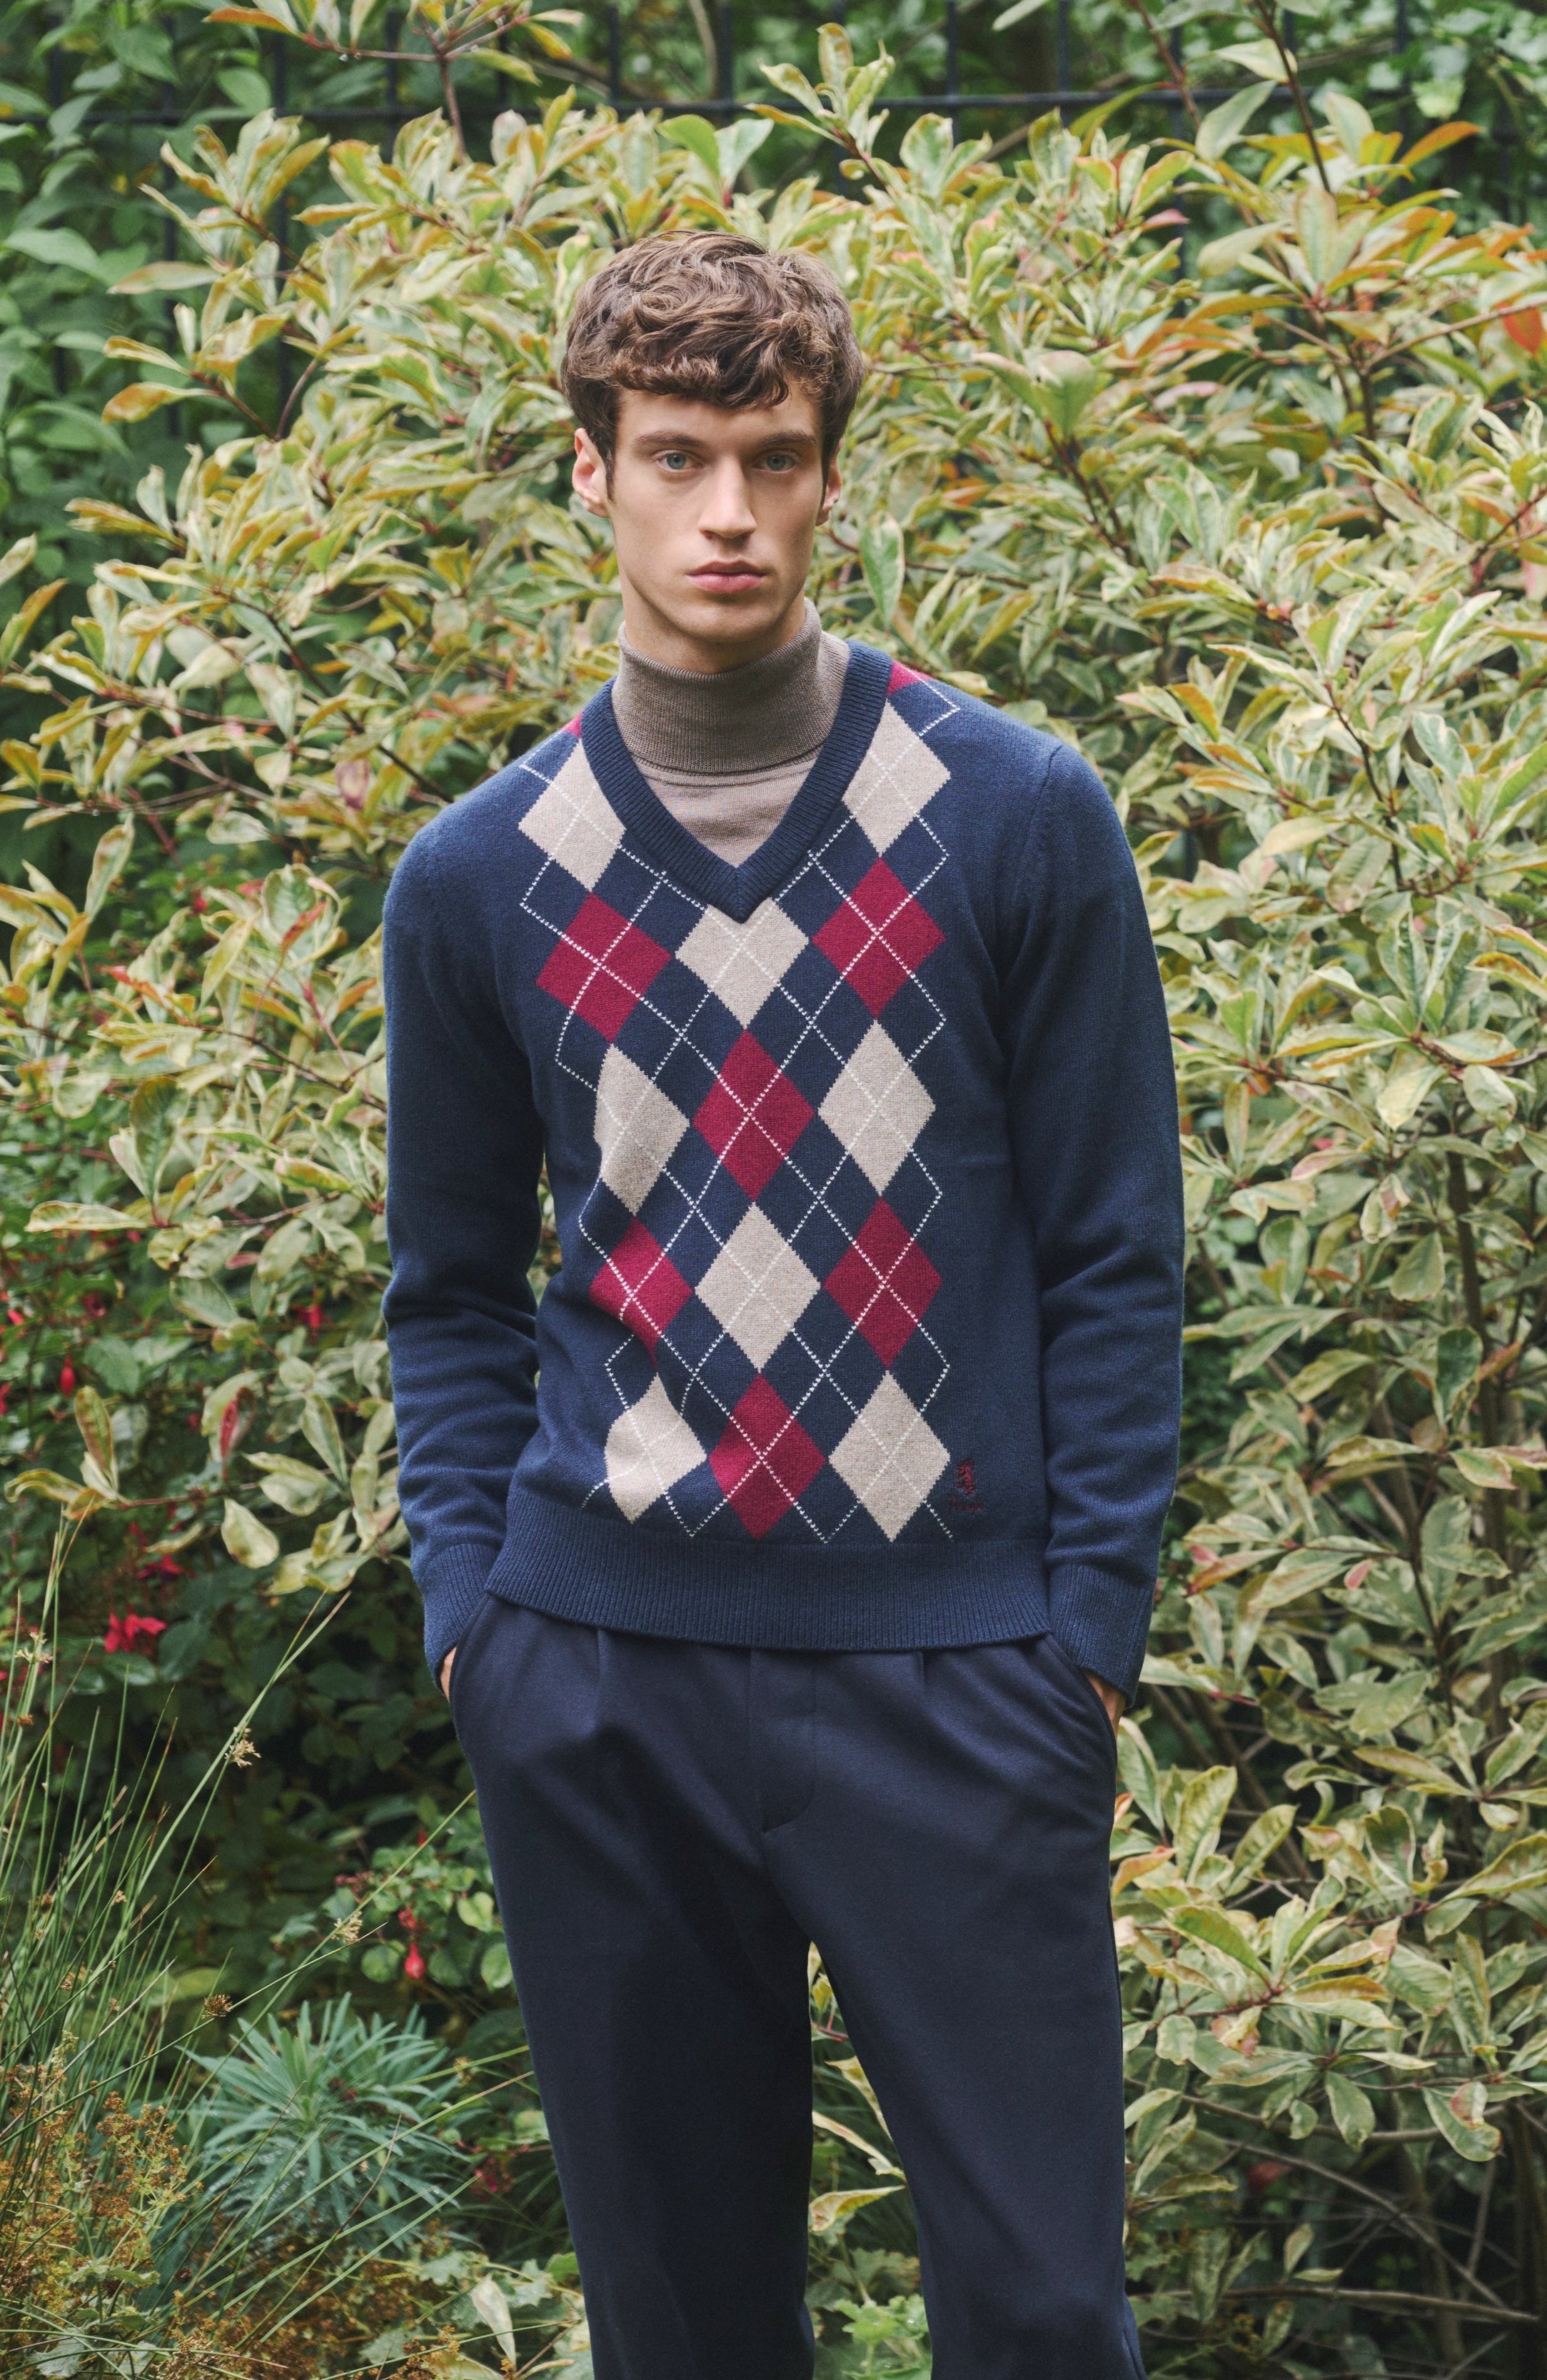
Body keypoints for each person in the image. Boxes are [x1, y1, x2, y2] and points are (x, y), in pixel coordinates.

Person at [382, 229, 1182, 2379]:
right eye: (673, 458)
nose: (723, 509)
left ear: (833, 476)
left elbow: (1117, 1243)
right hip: (604, 1681)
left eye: (770, 456)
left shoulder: (1016, 819)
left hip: (959, 1677)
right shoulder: (479, 875)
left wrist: (1085, 1633)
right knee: (687, 2325)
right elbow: (448, 1293)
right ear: (589, 475)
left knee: (1040, 2310)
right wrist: (482, 1620)